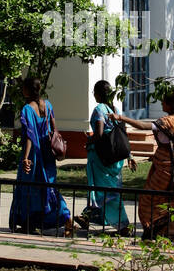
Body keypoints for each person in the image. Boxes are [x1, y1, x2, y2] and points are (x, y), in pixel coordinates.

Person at [120, 88, 174, 240]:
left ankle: (153, 230)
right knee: (171, 200)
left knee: (149, 199)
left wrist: (122, 118)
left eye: (164, 101)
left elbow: (142, 126)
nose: (161, 103)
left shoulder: (167, 121)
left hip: (167, 169)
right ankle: (168, 233)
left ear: (170, 104)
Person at [9, 76, 72, 236]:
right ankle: (63, 217)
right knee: (49, 187)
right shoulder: (48, 105)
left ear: (28, 90)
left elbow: (30, 136)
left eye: (23, 87)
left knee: (29, 188)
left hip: (34, 155)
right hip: (48, 154)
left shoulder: (27, 109)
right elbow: (54, 127)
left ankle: (28, 222)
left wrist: (26, 158)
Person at [75, 80, 135, 234]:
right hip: (116, 158)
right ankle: (87, 216)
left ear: (98, 93)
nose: (93, 95)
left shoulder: (99, 109)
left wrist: (89, 140)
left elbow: (99, 133)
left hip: (101, 158)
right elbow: (123, 134)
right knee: (106, 189)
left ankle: (123, 226)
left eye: (94, 92)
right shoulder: (116, 111)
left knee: (105, 191)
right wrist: (129, 156)